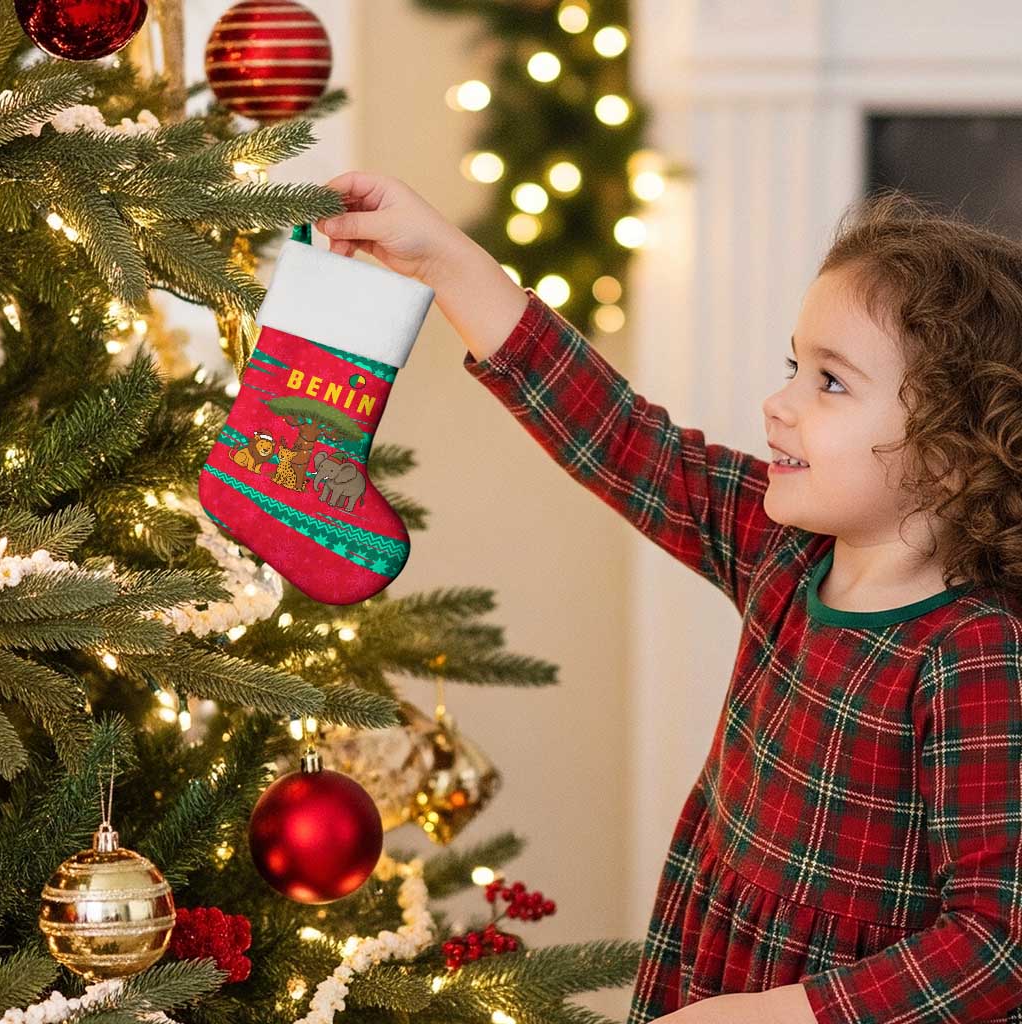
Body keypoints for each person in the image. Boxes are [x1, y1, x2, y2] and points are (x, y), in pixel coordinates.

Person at [315, 174, 1022, 1024]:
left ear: (952, 454)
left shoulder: (975, 653)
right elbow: (621, 436)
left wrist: (771, 1017)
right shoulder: (787, 552)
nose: (779, 404)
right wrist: (446, 260)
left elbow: (997, 942)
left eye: (830, 383)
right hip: (712, 967)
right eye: (794, 367)